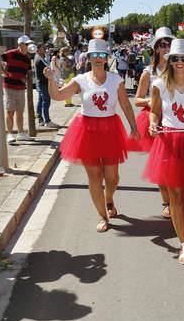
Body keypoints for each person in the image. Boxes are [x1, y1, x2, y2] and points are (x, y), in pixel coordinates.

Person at [44, 39, 140, 233]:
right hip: (87, 130)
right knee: (95, 177)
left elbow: (126, 104)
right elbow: (58, 96)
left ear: (107, 58)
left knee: (112, 177)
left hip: (110, 129)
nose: (98, 58)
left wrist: (133, 126)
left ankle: (109, 197)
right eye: (94, 55)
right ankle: (103, 215)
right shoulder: (81, 80)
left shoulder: (116, 80)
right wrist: (50, 79)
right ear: (88, 57)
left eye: (101, 55)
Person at [142, 39, 184, 265]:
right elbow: (155, 112)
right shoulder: (160, 85)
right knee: (175, 196)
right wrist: (152, 123)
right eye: (175, 59)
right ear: (169, 61)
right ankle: (183, 243)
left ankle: (182, 215)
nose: (180, 62)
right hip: (169, 141)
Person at [130, 27, 175, 218]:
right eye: (162, 45)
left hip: (177, 122)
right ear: (156, 49)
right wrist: (151, 101)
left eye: (169, 44)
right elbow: (138, 99)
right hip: (154, 121)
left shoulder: (180, 68)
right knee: (162, 165)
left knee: (177, 164)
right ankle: (167, 202)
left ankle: (178, 201)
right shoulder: (148, 72)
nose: (166, 48)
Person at [0, 36, 33, 144]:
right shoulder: (11, 53)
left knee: (20, 111)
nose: (28, 46)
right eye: (26, 44)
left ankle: (21, 133)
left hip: (21, 88)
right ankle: (9, 134)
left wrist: (26, 79)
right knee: (10, 111)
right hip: (9, 87)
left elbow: (28, 72)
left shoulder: (27, 58)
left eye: (28, 44)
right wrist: (5, 73)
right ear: (20, 45)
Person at [33, 45, 56, 128]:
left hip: (41, 83)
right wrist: (50, 71)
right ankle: (47, 120)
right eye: (43, 48)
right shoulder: (39, 59)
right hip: (43, 83)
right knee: (46, 101)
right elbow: (46, 70)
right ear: (38, 49)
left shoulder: (40, 57)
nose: (44, 50)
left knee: (41, 100)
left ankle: (40, 119)